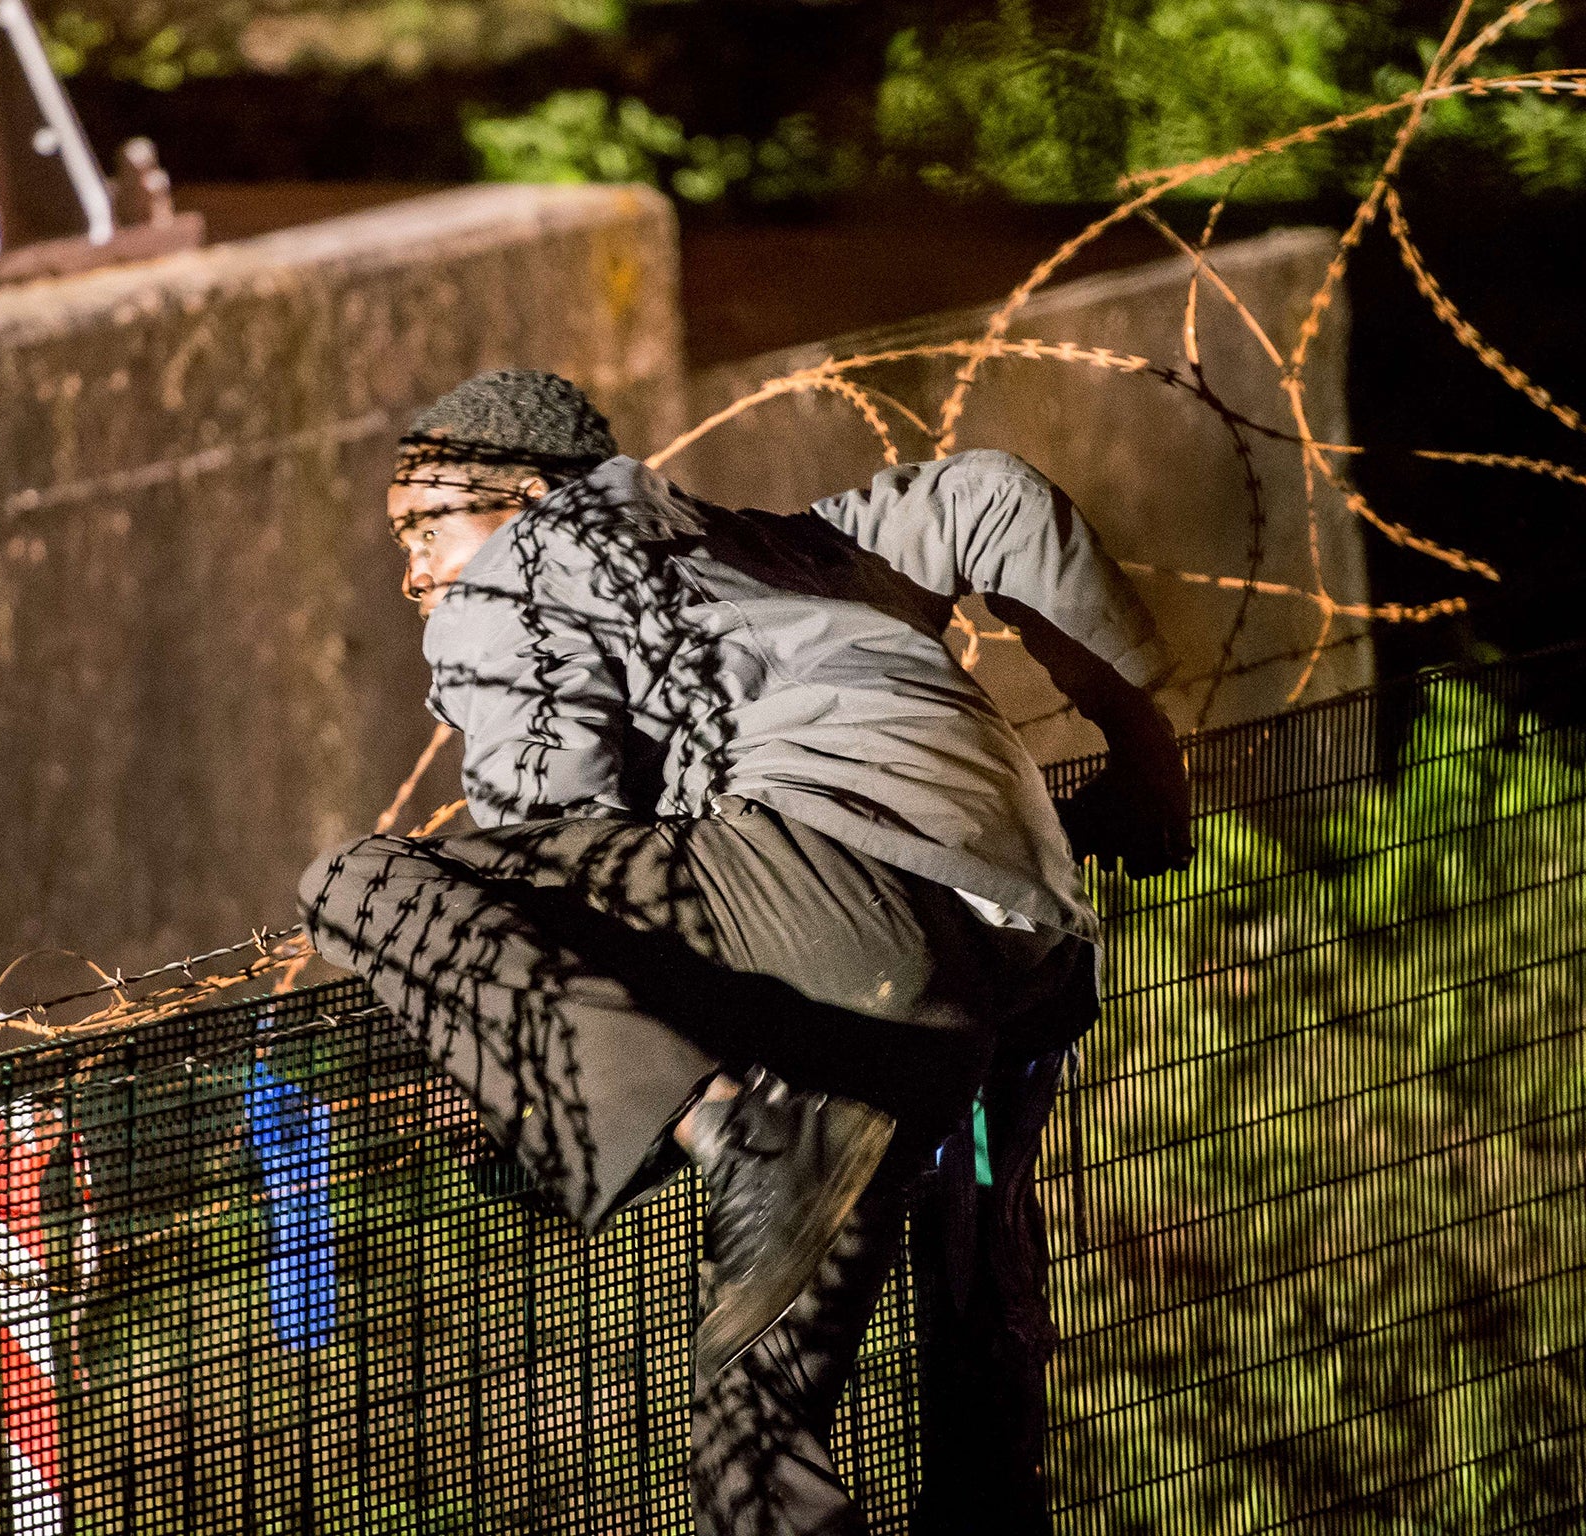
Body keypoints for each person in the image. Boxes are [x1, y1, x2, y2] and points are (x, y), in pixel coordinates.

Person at [299, 369, 1192, 1534]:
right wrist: (1142, 755)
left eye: (425, 527)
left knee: (360, 885)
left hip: (840, 909)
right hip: (1014, 960)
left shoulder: (515, 582)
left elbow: (558, 834)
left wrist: (529, 1068)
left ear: (523, 495)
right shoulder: (786, 545)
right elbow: (991, 495)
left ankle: (728, 1130)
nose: (414, 570)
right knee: (752, 1453)